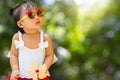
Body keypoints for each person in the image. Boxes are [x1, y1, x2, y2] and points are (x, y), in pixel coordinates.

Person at [7, 1, 57, 80]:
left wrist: (44, 67)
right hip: (20, 77)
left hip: (40, 77)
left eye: (39, 13)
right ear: (20, 24)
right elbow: (13, 55)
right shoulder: (17, 37)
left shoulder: (45, 38)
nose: (37, 17)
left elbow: (50, 55)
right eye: (31, 15)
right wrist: (15, 69)